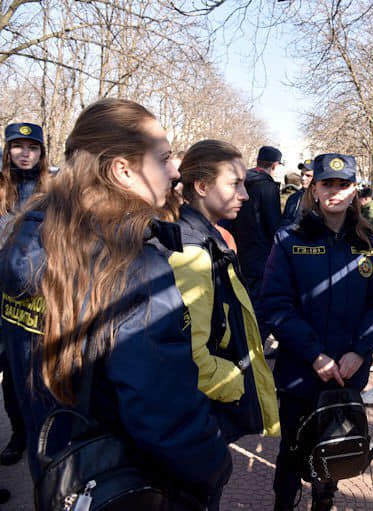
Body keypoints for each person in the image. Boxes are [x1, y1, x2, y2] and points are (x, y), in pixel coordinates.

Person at [0, 99, 232, 507]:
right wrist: (215, 466)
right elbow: (163, 416)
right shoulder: (133, 267)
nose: (176, 170)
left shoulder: (26, 239)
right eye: (162, 158)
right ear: (122, 170)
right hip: (129, 485)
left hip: (63, 480)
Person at [258, 153, 373, 511]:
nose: (335, 191)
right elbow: (275, 304)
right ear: (314, 189)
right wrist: (313, 353)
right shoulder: (289, 240)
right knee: (290, 455)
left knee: (337, 450)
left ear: (354, 192)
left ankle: (324, 503)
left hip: (346, 375)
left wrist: (360, 350)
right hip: (300, 373)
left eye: (343, 184)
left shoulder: (370, 243)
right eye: (327, 184)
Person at [169, 139, 279, 443]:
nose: (244, 194)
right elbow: (190, 357)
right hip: (199, 415)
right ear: (202, 187)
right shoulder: (192, 252)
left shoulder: (205, 238)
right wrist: (239, 385)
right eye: (235, 184)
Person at [0, 122, 51, 468]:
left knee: (37, 368)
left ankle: (41, 434)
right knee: (9, 368)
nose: (25, 153)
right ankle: (19, 434)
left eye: (32, 147)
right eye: (18, 147)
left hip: (38, 292)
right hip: (2, 292)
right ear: (7, 151)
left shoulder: (54, 190)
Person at [230, 145, 283, 305]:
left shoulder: (240, 182)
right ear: (275, 165)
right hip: (261, 255)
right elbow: (273, 225)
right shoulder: (268, 187)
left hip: (238, 249)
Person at [282, 160, 313, 226]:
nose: (303, 178)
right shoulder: (293, 198)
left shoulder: (322, 199)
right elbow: (285, 221)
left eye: (308, 175)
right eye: (302, 174)